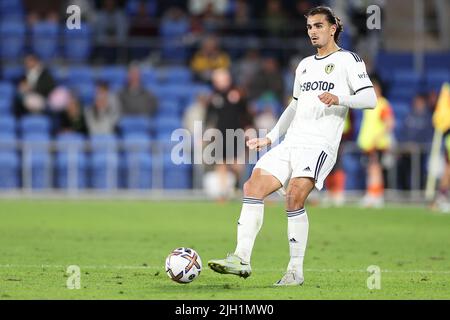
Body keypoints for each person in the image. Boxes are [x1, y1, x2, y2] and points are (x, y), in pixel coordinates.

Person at [208, 6, 377, 286]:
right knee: (253, 186)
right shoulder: (304, 65)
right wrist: (271, 137)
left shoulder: (349, 60)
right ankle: (241, 258)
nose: (313, 31)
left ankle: (295, 271)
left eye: (318, 26)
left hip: (320, 144)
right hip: (292, 141)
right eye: (310, 27)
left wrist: (340, 99)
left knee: (294, 197)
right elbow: (294, 106)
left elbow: (370, 99)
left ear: (332, 28)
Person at [357, 77, 395, 208]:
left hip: (377, 143)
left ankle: (376, 195)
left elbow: (389, 123)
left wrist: (378, 137)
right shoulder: (370, 104)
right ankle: (372, 194)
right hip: (368, 144)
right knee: (372, 169)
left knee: (375, 169)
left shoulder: (382, 104)